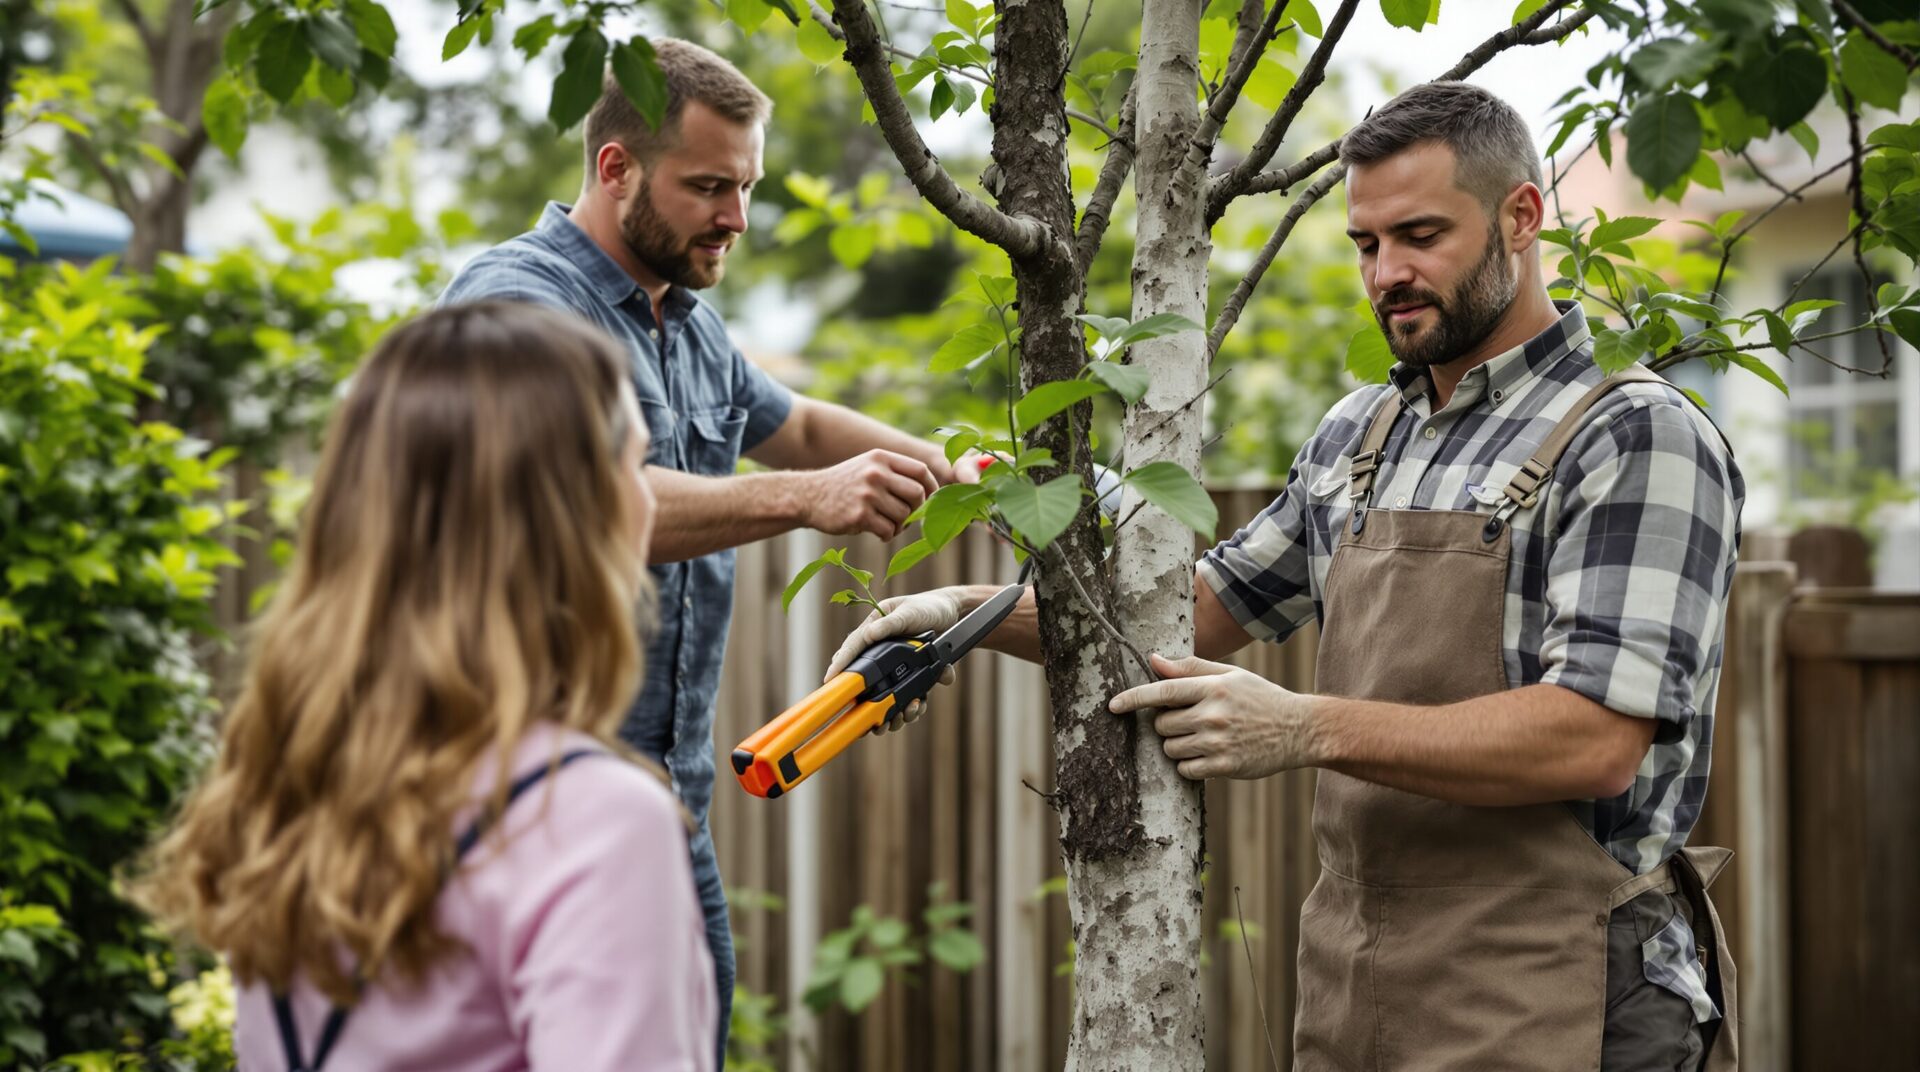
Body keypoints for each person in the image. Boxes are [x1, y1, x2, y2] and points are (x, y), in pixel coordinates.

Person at [828, 82, 1744, 1071]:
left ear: (1520, 218)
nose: (1387, 271)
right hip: (1361, 980)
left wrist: (1304, 724)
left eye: (1421, 235)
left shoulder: (1634, 435)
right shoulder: (1361, 433)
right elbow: (1193, 615)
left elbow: (1595, 737)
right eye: (1365, 243)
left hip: (1567, 987)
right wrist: (955, 615)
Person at [436, 39, 971, 1052]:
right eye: (711, 187)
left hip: (666, 815)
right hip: (519, 822)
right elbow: (586, 502)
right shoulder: (517, 306)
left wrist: (968, 473)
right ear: (616, 169)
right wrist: (813, 499)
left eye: (748, 187)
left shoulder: (687, 321)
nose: (737, 217)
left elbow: (802, 425)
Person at [136, 303, 714, 1070]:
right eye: (634, 465)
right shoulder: (590, 821)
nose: (648, 498)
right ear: (573, 515)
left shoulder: (296, 782)